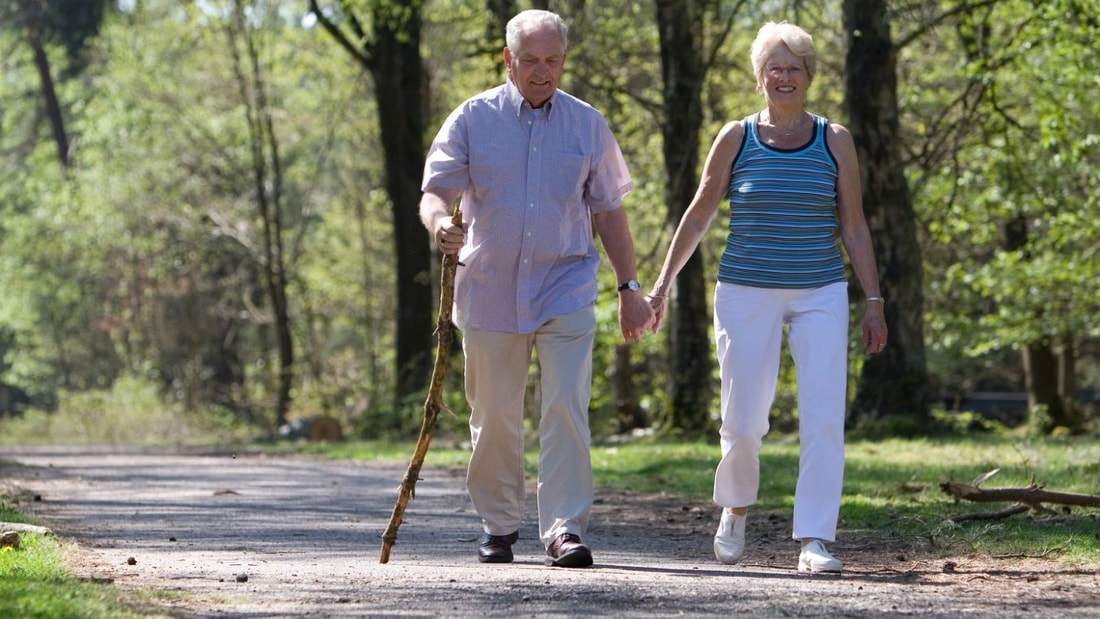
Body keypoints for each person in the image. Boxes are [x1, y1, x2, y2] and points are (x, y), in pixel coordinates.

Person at [646, 21, 888, 573]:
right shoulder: (736, 137)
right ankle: (734, 506)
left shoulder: (835, 140)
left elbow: (853, 225)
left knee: (824, 413)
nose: (784, 76)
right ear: (759, 78)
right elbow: (701, 212)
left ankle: (815, 539)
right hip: (745, 290)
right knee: (745, 416)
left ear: (809, 77)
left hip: (820, 289)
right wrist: (662, 285)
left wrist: (873, 300)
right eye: (774, 68)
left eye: (794, 67)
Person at [418, 9, 655, 568]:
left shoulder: (587, 125)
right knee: (495, 414)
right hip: (489, 289)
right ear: (509, 60)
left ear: (563, 60)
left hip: (565, 285)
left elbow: (610, 212)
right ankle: (499, 526)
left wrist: (629, 287)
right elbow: (435, 191)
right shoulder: (472, 119)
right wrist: (438, 226)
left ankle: (564, 529)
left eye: (552, 60)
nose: (542, 71)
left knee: (566, 408)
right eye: (531, 60)